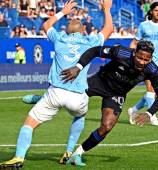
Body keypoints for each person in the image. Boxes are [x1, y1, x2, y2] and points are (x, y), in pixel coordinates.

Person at [0, 0, 113, 169]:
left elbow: (46, 25)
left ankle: (18, 158)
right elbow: (109, 29)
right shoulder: (90, 41)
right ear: (83, 30)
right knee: (80, 116)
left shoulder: (60, 38)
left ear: (66, 30)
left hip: (55, 93)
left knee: (29, 124)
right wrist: (107, 10)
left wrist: (63, 12)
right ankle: (68, 152)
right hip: (77, 96)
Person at [58, 40, 158, 166]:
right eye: (139, 58)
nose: (142, 62)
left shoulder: (152, 70)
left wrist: (149, 113)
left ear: (151, 58)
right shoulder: (121, 52)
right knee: (69, 97)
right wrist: (78, 67)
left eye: (146, 60)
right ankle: (44, 99)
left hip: (117, 94)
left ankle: (77, 153)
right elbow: (95, 51)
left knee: (106, 127)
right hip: (99, 82)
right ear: (134, 53)